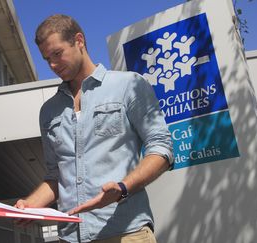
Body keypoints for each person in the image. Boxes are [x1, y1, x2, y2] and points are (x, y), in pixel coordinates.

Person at [15, 14, 173, 243]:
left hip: (125, 232)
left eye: (57, 54)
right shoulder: (48, 111)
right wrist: (31, 204)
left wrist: (123, 187)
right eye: (46, 58)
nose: (52, 65)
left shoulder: (129, 85)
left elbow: (162, 149)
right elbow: (54, 177)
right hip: (70, 237)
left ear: (79, 41)